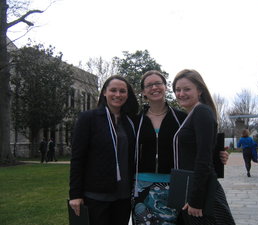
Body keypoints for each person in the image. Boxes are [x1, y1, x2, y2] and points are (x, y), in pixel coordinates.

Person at [132, 70, 230, 225]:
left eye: (158, 83)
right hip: (142, 185)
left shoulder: (183, 117)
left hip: (176, 185)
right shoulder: (135, 121)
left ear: (165, 87)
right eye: (149, 85)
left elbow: (202, 149)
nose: (154, 87)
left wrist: (218, 156)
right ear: (143, 91)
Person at [69, 75, 138, 225]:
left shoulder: (130, 122)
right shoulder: (89, 118)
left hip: (123, 196)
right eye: (113, 90)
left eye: (122, 91)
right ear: (104, 92)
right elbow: (77, 158)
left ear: (127, 94)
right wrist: (75, 194)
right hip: (96, 195)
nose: (118, 95)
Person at [172, 69, 235, 224]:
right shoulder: (193, 114)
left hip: (202, 193)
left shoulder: (201, 112)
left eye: (187, 89)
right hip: (191, 188)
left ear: (199, 90)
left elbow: (203, 158)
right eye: (177, 90)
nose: (181, 93)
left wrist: (196, 200)